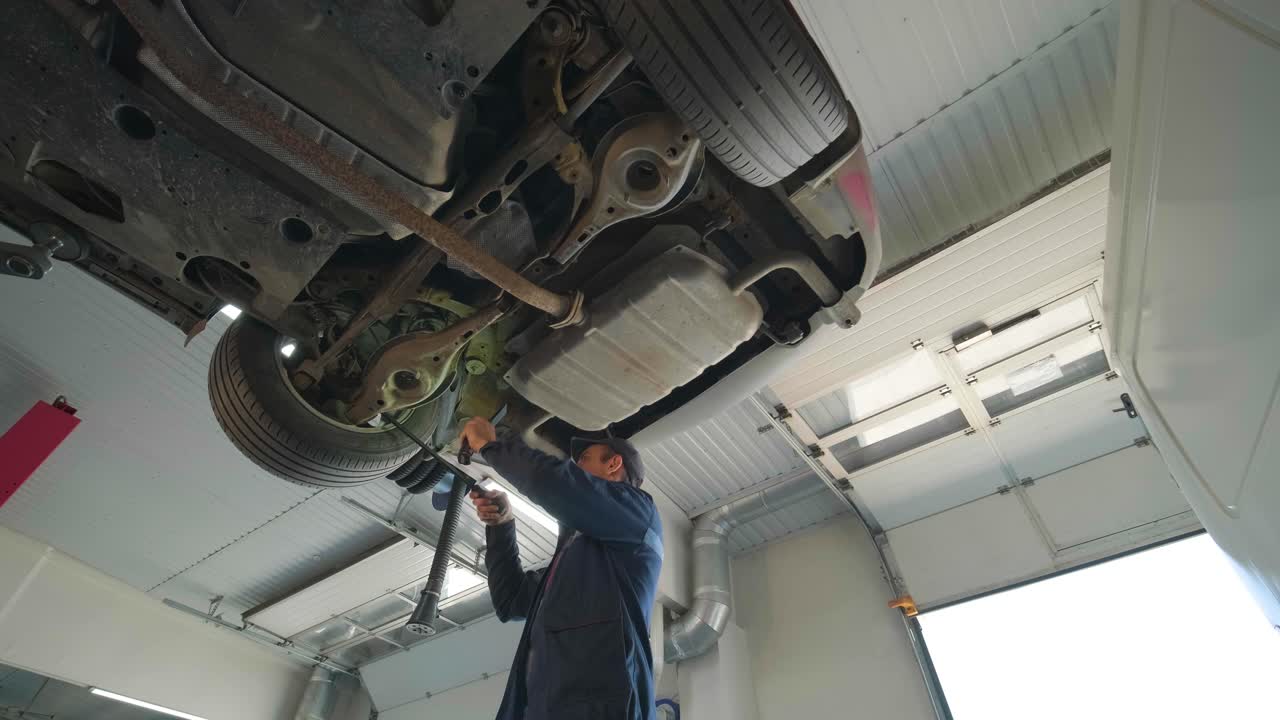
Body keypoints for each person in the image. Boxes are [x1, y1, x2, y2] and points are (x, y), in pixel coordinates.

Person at [460, 416, 663, 720]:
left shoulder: (639, 516)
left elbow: (555, 482)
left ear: (613, 464)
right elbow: (511, 601)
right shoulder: (573, 562)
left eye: (583, 459)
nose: (574, 466)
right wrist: (502, 525)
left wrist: (493, 445)